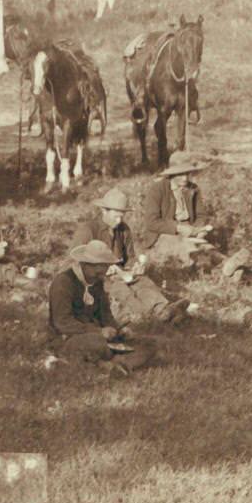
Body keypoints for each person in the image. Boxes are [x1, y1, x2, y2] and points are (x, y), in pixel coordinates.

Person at [72, 187, 190, 324]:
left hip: (121, 274)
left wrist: (135, 266)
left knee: (142, 282)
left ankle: (162, 310)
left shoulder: (123, 229)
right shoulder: (88, 230)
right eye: (116, 216)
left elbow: (129, 257)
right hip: (99, 279)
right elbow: (75, 261)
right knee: (120, 289)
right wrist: (98, 270)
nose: (119, 220)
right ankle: (142, 316)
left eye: (122, 216)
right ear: (104, 211)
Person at [46, 241, 156, 375]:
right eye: (99, 269)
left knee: (149, 343)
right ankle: (112, 363)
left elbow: (105, 314)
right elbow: (62, 323)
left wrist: (118, 330)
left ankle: (114, 365)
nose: (103, 273)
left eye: (105, 268)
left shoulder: (97, 281)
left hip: (100, 337)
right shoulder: (63, 283)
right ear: (86, 265)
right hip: (69, 338)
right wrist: (98, 331)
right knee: (96, 343)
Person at [136, 151, 219, 267]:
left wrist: (199, 230)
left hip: (189, 232)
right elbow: (151, 222)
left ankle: (225, 267)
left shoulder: (193, 189)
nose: (185, 178)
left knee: (208, 249)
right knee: (186, 250)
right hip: (164, 234)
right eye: (180, 174)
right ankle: (195, 266)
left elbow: (201, 215)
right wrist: (178, 228)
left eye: (187, 173)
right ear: (172, 174)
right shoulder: (157, 190)